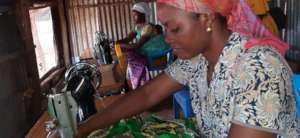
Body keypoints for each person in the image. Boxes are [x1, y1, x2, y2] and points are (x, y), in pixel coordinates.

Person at [78, 0, 299, 137]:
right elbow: (147, 94)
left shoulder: (260, 70)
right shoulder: (197, 61)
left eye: (174, 29)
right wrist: (83, 128)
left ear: (206, 18)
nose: (168, 39)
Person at [116, 2, 158, 90]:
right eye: (133, 16)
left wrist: (121, 45)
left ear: (143, 15)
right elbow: (127, 39)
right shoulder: (137, 27)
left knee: (131, 59)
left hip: (153, 54)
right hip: (145, 52)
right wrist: (116, 42)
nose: (134, 18)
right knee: (126, 57)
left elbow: (137, 46)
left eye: (136, 15)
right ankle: (133, 85)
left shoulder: (148, 27)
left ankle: (141, 86)